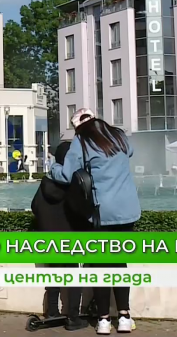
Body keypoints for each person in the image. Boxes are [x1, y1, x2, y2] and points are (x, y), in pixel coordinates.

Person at [51, 108, 141, 335]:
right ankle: (124, 317)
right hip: (128, 211)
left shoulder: (81, 141)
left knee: (100, 266)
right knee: (120, 264)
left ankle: (103, 320)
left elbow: (66, 174)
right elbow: (128, 153)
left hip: (103, 214)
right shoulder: (119, 135)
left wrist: (53, 168)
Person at [31, 141, 89, 331]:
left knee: (54, 275)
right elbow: (82, 211)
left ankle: (53, 312)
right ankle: (73, 317)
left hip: (48, 238)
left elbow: (35, 206)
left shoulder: (45, 181)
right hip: (70, 238)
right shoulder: (74, 182)